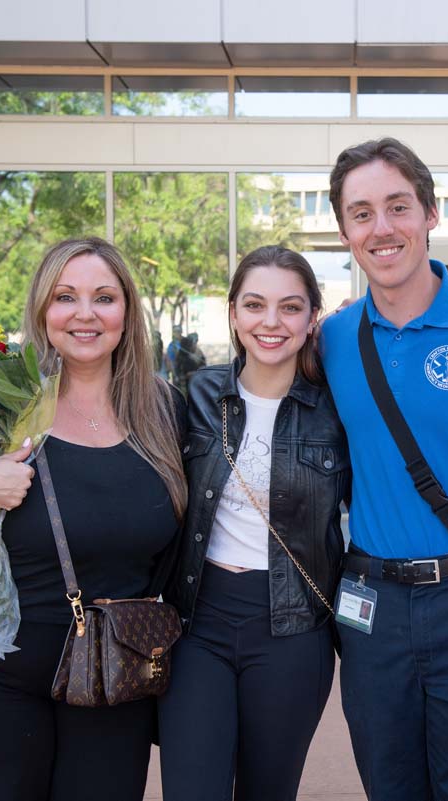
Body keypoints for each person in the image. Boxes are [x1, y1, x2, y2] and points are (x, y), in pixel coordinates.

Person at [0, 237, 188, 801]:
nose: (84, 314)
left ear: (127, 312)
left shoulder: (164, 412)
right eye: (65, 297)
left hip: (113, 681)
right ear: (41, 310)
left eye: (104, 297)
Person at [320, 138, 448, 801]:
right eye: (361, 213)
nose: (381, 228)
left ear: (430, 213)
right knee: (389, 781)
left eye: (397, 206)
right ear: (345, 229)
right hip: (369, 605)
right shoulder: (327, 340)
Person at [159, 245, 348, 801]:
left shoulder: (335, 410)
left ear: (313, 317)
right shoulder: (196, 396)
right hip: (198, 622)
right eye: (255, 305)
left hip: (293, 628)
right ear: (234, 313)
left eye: (290, 307)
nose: (271, 322)